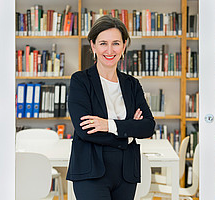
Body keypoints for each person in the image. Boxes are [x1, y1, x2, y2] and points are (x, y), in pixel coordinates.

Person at [66, 15, 155, 200]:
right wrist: (128, 131)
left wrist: (108, 125)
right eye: (103, 43)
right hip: (91, 170)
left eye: (115, 43)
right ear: (93, 46)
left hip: (126, 172)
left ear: (123, 47)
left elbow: (148, 126)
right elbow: (85, 130)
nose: (109, 50)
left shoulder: (132, 84)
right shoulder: (80, 81)